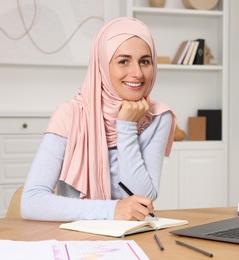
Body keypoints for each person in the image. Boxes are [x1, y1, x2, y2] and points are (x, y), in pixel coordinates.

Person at [20, 17, 176, 222]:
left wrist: (127, 126)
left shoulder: (157, 117)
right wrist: (111, 210)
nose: (137, 73)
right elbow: (32, 202)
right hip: (77, 240)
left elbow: (142, 197)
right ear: (102, 64)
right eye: (123, 61)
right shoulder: (70, 115)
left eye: (145, 61)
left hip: (132, 236)